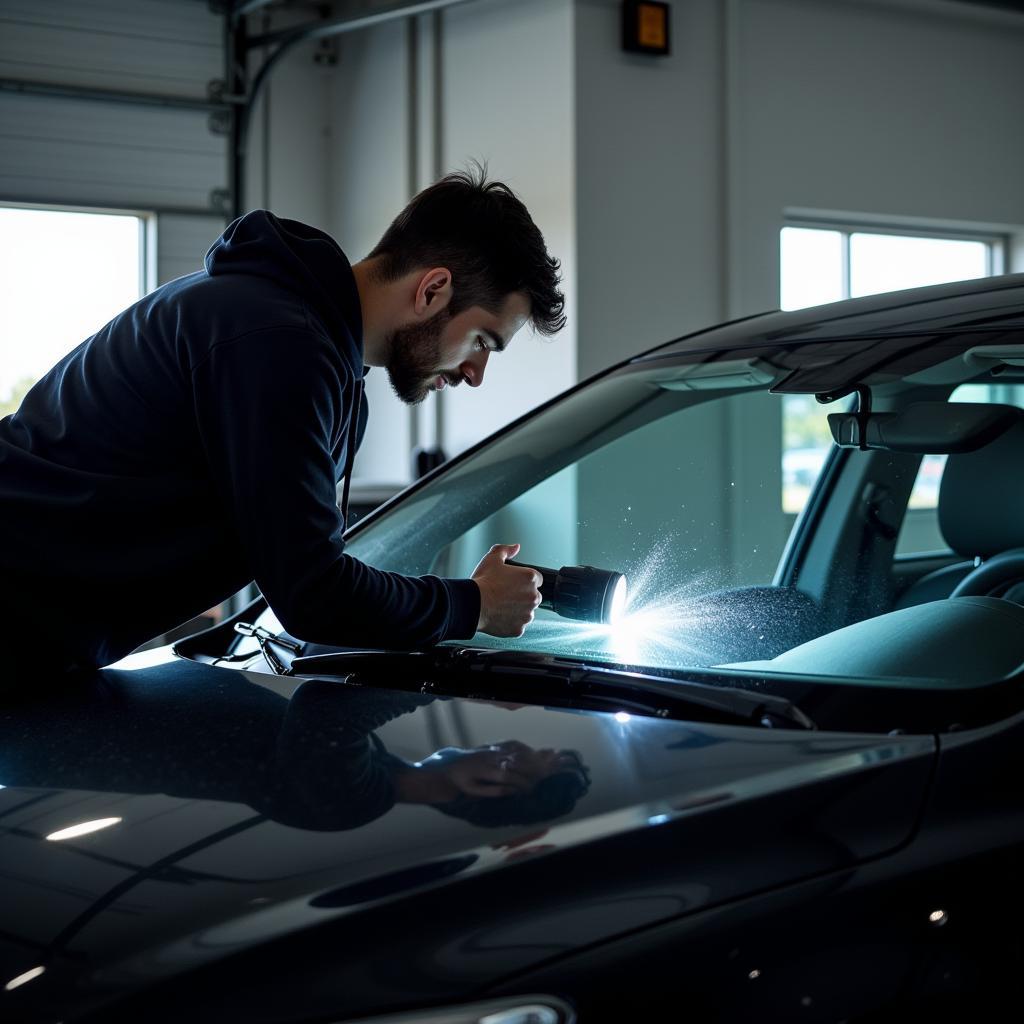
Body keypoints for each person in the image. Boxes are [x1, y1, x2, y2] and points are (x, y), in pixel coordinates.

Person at [0, 167, 565, 671]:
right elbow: (313, 593)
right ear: (433, 289)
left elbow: (305, 569)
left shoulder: (310, 352)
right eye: (482, 340)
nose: (476, 373)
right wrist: (474, 605)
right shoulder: (276, 343)